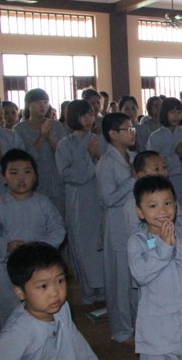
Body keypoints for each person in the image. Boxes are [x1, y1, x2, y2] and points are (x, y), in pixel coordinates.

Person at [128, 176, 182, 359]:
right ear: (140, 212)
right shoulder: (138, 241)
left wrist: (176, 244)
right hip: (157, 328)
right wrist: (164, 245)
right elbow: (140, 274)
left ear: (176, 205)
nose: (162, 210)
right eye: (153, 206)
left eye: (167, 203)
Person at [0, 149, 66, 327]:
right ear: (4, 178)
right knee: (12, 310)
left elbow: (58, 228)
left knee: (44, 305)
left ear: (35, 176)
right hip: (10, 266)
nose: (21, 178)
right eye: (14, 173)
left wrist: (41, 247)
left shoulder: (43, 202)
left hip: (41, 264)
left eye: (27, 172)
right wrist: (7, 246)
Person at [0, 242, 97, 359]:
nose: (55, 293)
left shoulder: (61, 307)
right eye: (43, 286)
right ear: (20, 292)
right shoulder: (18, 332)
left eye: (60, 281)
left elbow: (77, 343)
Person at [55, 100, 105, 305]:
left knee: (100, 242)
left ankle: (104, 288)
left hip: (98, 196)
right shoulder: (65, 144)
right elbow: (67, 174)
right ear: (73, 118)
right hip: (78, 200)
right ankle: (88, 290)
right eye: (83, 115)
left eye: (91, 115)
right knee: (82, 243)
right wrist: (89, 157)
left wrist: (97, 156)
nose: (88, 119)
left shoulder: (100, 140)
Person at [96, 112, 137, 343]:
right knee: (120, 281)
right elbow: (108, 198)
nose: (132, 133)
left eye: (132, 128)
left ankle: (137, 322)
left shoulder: (133, 157)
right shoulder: (106, 163)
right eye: (127, 129)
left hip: (136, 223)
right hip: (118, 225)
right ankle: (122, 330)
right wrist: (132, 180)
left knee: (137, 277)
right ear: (112, 134)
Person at [0, 91, 24, 328]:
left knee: (8, 258)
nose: (2, 113)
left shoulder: (8, 136)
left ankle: (11, 317)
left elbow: (22, 163)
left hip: (8, 203)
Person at [13, 88, 67, 218]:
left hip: (57, 182)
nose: (42, 105)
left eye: (45, 102)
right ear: (28, 104)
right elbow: (22, 158)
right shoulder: (19, 129)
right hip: (35, 182)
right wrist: (41, 137)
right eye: (38, 102)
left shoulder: (57, 126)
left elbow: (64, 154)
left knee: (59, 219)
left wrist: (49, 138)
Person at [147, 97, 182, 220]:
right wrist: (176, 156)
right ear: (164, 113)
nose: (176, 116)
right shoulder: (155, 137)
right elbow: (152, 164)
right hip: (166, 181)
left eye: (179, 112)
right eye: (172, 112)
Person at [123, 150, 182, 235]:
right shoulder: (133, 203)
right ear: (141, 175)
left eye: (164, 167)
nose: (163, 173)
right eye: (156, 169)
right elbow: (136, 233)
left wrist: (174, 234)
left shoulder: (167, 196)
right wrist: (160, 237)